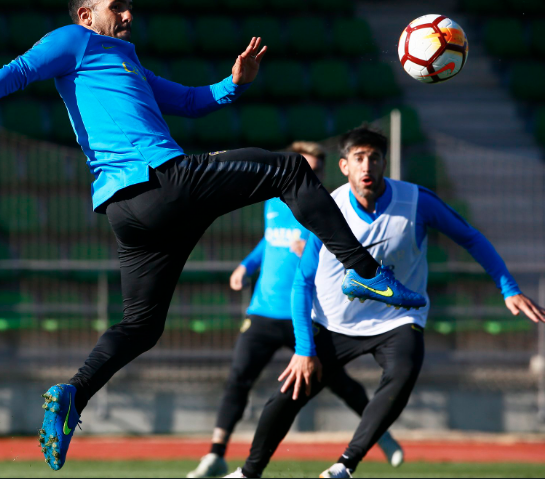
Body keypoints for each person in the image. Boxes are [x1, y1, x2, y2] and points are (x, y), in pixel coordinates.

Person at [0, 0, 427, 470]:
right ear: (85, 15)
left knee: (142, 326)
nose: (127, 16)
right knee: (288, 168)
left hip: (130, 214)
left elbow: (191, 102)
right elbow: (15, 73)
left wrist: (234, 84)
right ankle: (364, 270)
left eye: (129, 8)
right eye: (116, 7)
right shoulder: (73, 43)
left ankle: (74, 392)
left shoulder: (124, 61)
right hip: (163, 181)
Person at [225, 127, 545, 479]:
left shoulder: (416, 201)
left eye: (374, 158)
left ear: (384, 163)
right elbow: (302, 282)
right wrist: (304, 349)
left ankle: (345, 464)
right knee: (289, 392)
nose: (367, 166)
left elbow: (470, 237)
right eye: (359, 158)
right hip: (335, 321)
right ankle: (248, 473)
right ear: (345, 166)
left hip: (396, 319)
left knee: (403, 371)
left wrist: (508, 288)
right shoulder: (325, 209)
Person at [188, 142, 402, 478]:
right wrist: (246, 265)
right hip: (263, 310)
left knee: (338, 382)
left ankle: (381, 435)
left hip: (303, 316)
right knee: (237, 379)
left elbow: (347, 252)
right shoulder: (273, 201)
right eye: (305, 166)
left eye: (316, 169)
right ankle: (216, 454)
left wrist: (318, 250)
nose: (310, 173)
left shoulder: (327, 207)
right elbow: (268, 240)